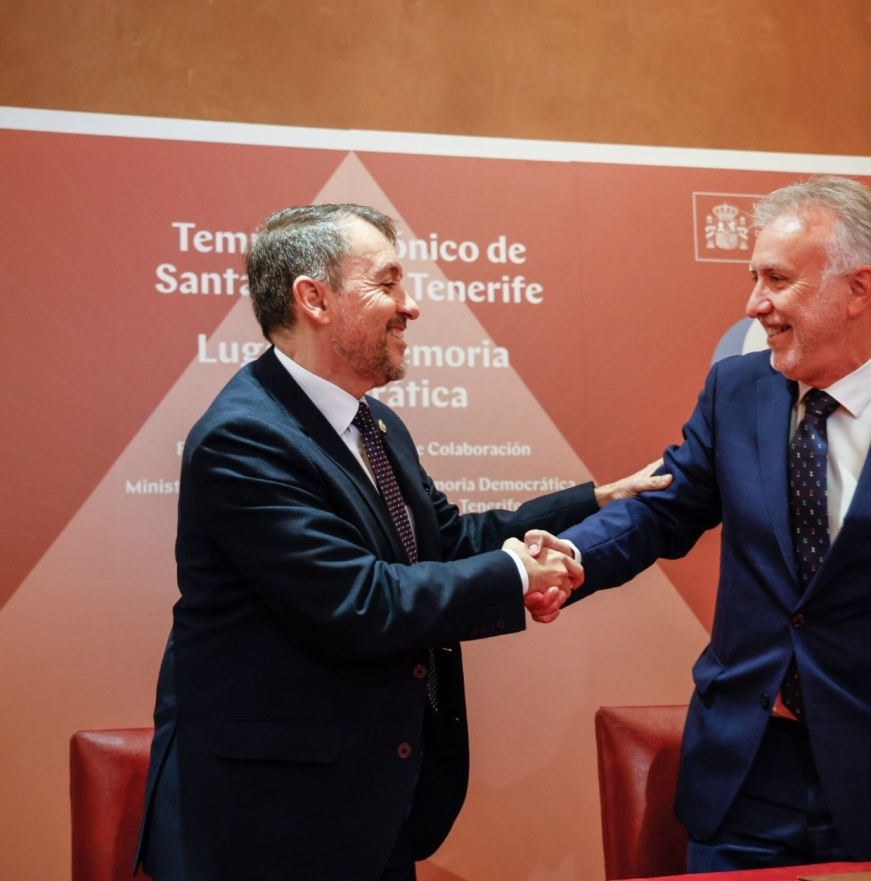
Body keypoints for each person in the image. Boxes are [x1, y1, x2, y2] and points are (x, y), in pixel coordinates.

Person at [525, 176, 871, 872]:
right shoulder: (736, 392)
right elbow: (663, 508)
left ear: (857, 288)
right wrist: (572, 556)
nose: (755, 304)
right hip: (744, 778)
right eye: (754, 278)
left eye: (777, 280)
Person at [134, 203, 667, 881]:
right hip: (270, 821)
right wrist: (515, 574)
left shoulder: (374, 424)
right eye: (387, 283)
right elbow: (358, 601)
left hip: (364, 805)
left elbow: (442, 541)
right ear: (313, 299)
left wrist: (590, 503)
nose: (409, 306)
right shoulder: (245, 437)